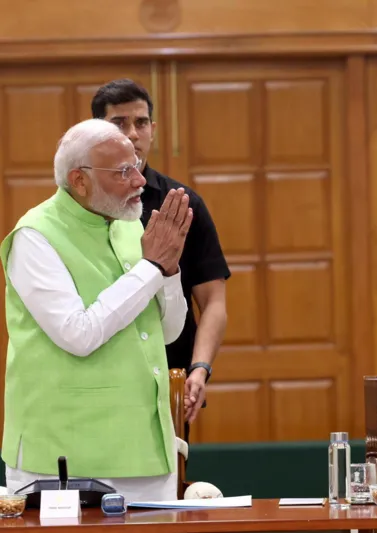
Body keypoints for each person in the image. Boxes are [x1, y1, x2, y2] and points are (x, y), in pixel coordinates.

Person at [0, 119, 191, 501]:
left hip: (146, 447)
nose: (140, 180)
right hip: (65, 452)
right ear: (79, 180)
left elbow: (168, 332)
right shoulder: (35, 236)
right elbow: (78, 334)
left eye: (137, 164)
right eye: (123, 171)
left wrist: (168, 272)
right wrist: (151, 268)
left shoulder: (130, 227)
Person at [91, 79, 230, 432]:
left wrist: (200, 368)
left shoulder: (182, 203)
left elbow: (212, 300)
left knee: (170, 483)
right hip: (97, 378)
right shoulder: (83, 205)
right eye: (118, 124)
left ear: (153, 129)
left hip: (168, 379)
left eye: (140, 123)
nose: (132, 133)